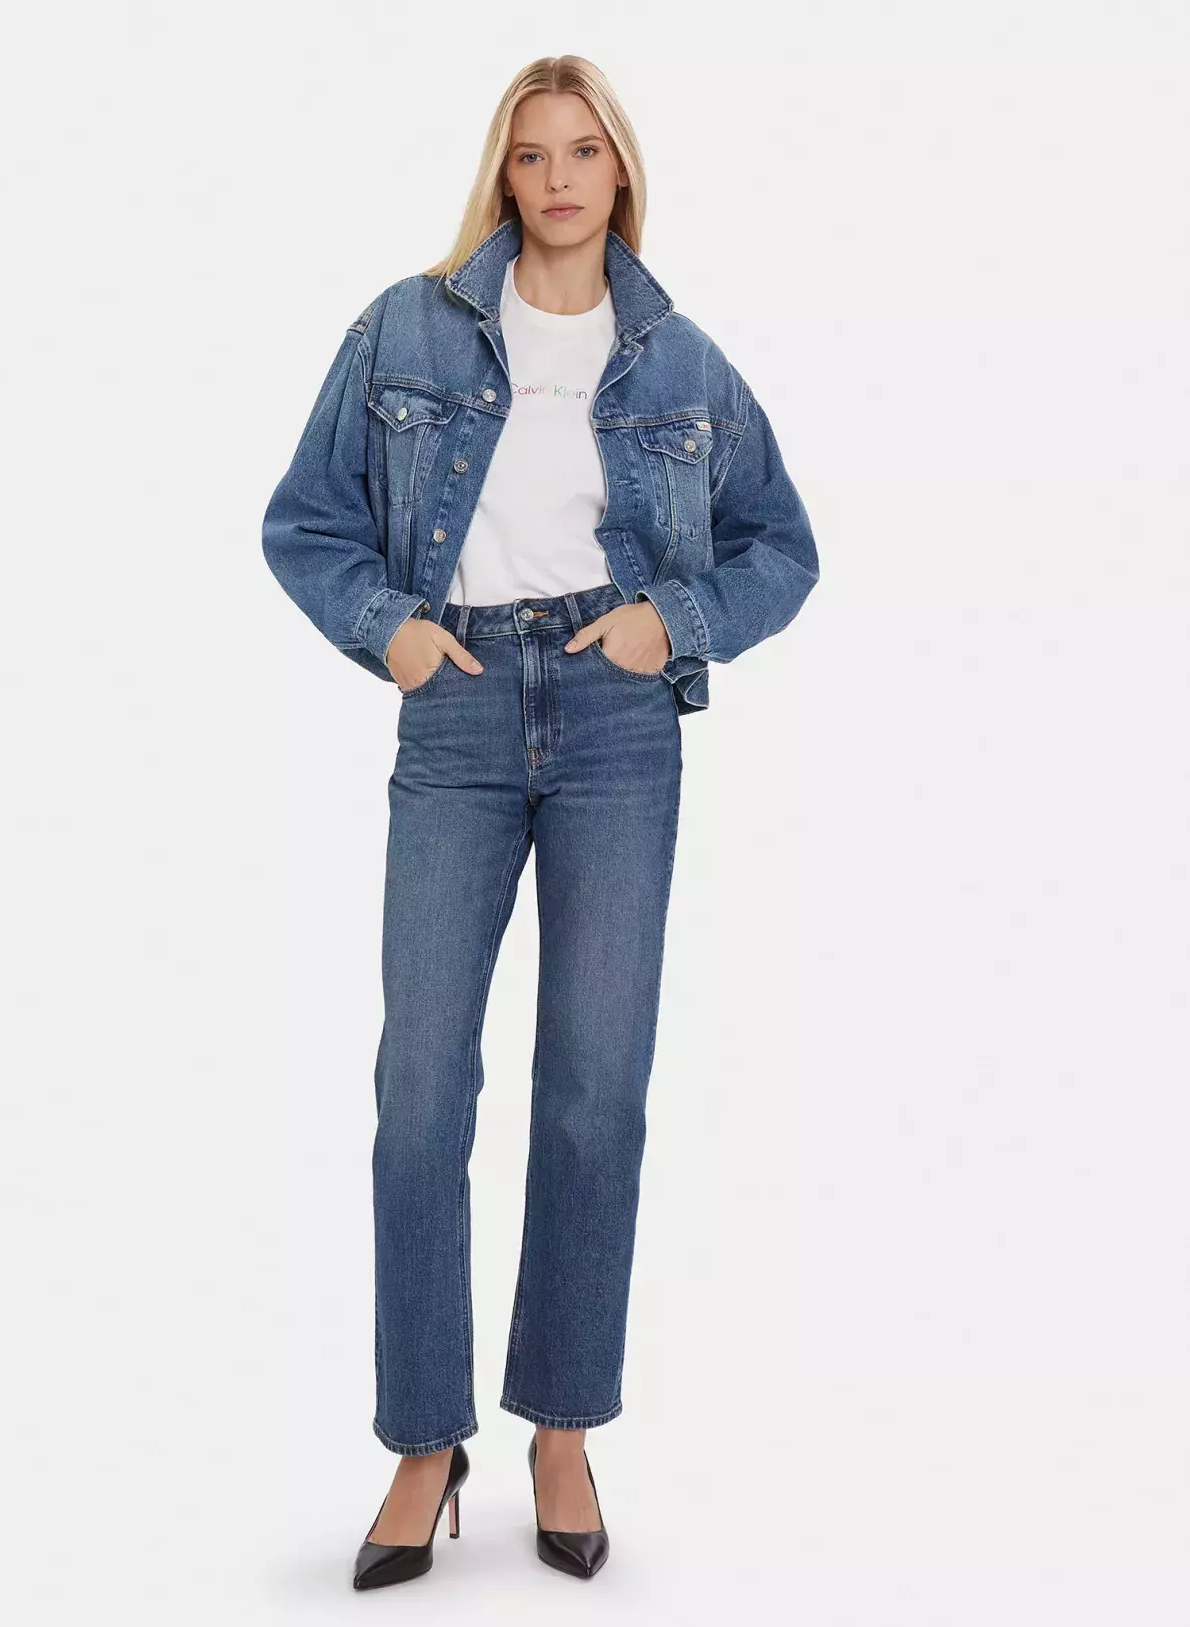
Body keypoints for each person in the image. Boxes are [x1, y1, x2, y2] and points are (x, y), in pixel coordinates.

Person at [261, 53, 819, 1588]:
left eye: (583, 150)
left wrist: (670, 623)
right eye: (531, 153)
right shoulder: (407, 326)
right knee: (421, 1085)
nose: (559, 178)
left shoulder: (683, 363)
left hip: (615, 718)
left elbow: (783, 547)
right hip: (453, 711)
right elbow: (305, 518)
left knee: (593, 1089)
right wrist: (391, 629)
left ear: (618, 169)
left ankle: (561, 1427)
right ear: (501, 175)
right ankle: (422, 1441)